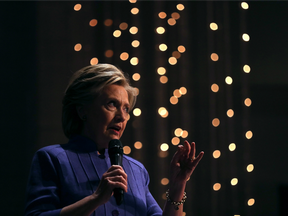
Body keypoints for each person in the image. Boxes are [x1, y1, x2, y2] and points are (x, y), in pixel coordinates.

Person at [24, 63, 204, 216]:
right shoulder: (52, 158)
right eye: (112, 104)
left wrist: (177, 186)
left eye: (126, 109)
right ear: (82, 110)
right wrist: (95, 199)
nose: (122, 117)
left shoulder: (137, 170)